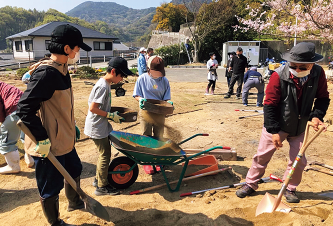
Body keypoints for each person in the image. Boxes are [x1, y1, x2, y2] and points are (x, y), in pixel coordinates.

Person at [236, 42, 330, 203]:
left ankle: (290, 187)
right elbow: (269, 104)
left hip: (300, 126)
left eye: (303, 67)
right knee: (262, 156)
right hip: (278, 123)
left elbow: (322, 98)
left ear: (312, 64)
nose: (298, 70)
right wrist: (273, 131)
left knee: (298, 161)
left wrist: (316, 116)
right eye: (294, 66)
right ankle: (250, 183)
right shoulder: (278, 75)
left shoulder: (318, 73)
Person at [17, 24, 92, 225]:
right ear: (67, 48)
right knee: (50, 185)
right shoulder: (46, 74)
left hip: (64, 138)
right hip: (49, 143)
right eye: (77, 48)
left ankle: (75, 202)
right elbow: (24, 109)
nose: (78, 52)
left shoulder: (62, 68)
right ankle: (55, 222)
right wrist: (42, 139)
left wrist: (69, 124)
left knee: (74, 169)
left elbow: (60, 104)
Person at [84, 57, 133, 196]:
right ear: (113, 71)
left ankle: (98, 180)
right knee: (105, 154)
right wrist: (110, 115)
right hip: (96, 126)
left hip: (99, 125)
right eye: (122, 75)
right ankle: (101, 187)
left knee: (104, 154)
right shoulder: (102, 86)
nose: (122, 78)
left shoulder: (105, 84)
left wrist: (110, 113)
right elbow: (93, 108)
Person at [133, 55, 172, 139]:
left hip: (159, 111)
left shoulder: (164, 80)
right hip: (146, 111)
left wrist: (168, 102)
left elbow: (166, 97)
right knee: (147, 135)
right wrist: (140, 100)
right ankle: (148, 150)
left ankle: (157, 151)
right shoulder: (142, 79)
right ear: (148, 68)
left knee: (159, 136)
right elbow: (136, 94)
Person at [0, 82, 34, 173]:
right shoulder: (4, 85)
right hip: (28, 108)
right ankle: (30, 159)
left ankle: (13, 166)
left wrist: (4, 123)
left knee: (6, 140)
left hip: (15, 111)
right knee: (27, 135)